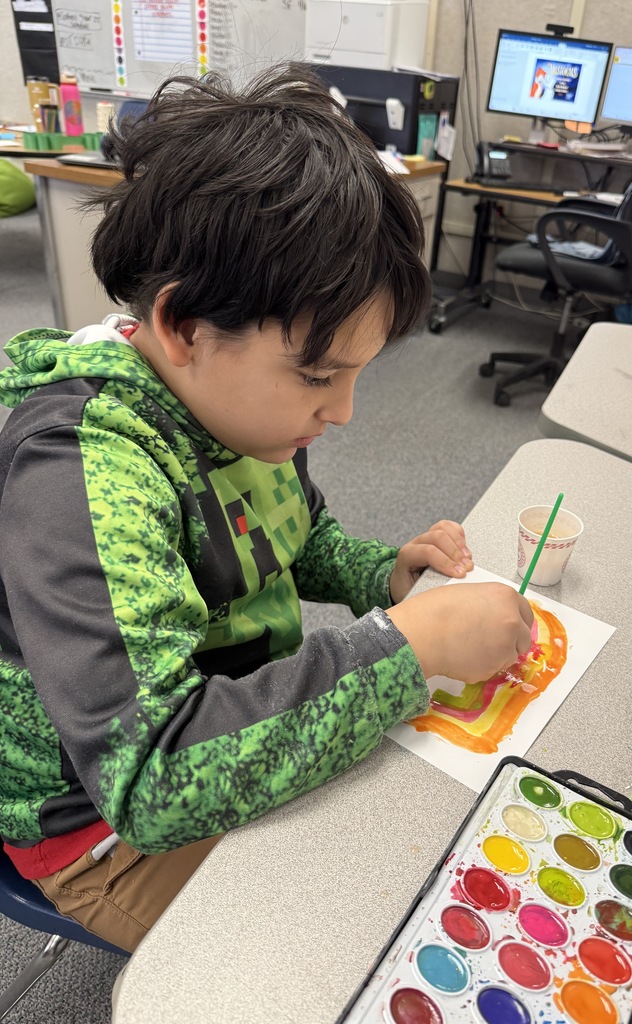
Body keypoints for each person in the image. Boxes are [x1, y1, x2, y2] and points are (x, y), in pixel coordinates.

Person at [0, 64, 533, 953]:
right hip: (102, 829)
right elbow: (151, 778)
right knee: (363, 944)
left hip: (239, 728)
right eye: (319, 375)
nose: (343, 412)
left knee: (437, 833)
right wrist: (407, 648)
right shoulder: (81, 473)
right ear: (184, 326)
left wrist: (383, 574)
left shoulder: (240, 409)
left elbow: (294, 536)